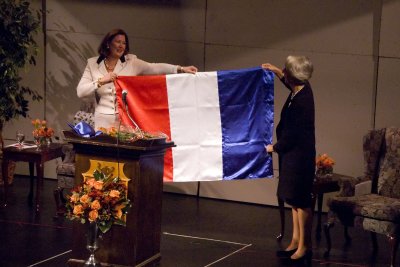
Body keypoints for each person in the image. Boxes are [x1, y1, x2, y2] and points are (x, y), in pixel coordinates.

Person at [77, 28, 198, 130]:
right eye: (118, 42)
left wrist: (180, 68)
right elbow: (81, 92)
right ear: (108, 44)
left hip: (126, 118)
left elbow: (154, 68)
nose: (121, 46)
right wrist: (101, 81)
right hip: (102, 119)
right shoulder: (93, 64)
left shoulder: (131, 62)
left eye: (124, 43)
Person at [261, 56, 315, 265]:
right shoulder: (301, 88)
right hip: (292, 156)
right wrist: (276, 71)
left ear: (293, 76)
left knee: (301, 201)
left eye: (286, 69)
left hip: (299, 157)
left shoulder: (302, 102)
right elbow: (290, 82)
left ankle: (305, 246)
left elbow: (293, 135)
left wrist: (274, 147)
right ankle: (294, 241)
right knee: (293, 200)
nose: (284, 70)